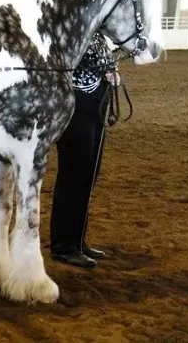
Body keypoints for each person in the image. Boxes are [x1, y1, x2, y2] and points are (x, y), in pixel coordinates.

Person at [50, 32, 120, 269]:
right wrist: (104, 68)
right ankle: (63, 246)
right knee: (73, 176)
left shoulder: (99, 36)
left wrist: (110, 75)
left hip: (95, 108)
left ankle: (77, 241)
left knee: (88, 177)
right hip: (74, 108)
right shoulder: (73, 30)